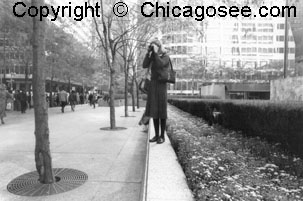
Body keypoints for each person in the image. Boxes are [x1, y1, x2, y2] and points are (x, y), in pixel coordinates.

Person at [142, 39, 170, 144]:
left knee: (162, 111)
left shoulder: (165, 56)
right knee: (154, 110)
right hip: (153, 85)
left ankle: (162, 136)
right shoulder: (153, 56)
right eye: (152, 46)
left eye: (154, 46)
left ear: (159, 46)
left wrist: (155, 54)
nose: (153, 48)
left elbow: (160, 64)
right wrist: (148, 53)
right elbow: (144, 65)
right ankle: (156, 135)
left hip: (162, 85)